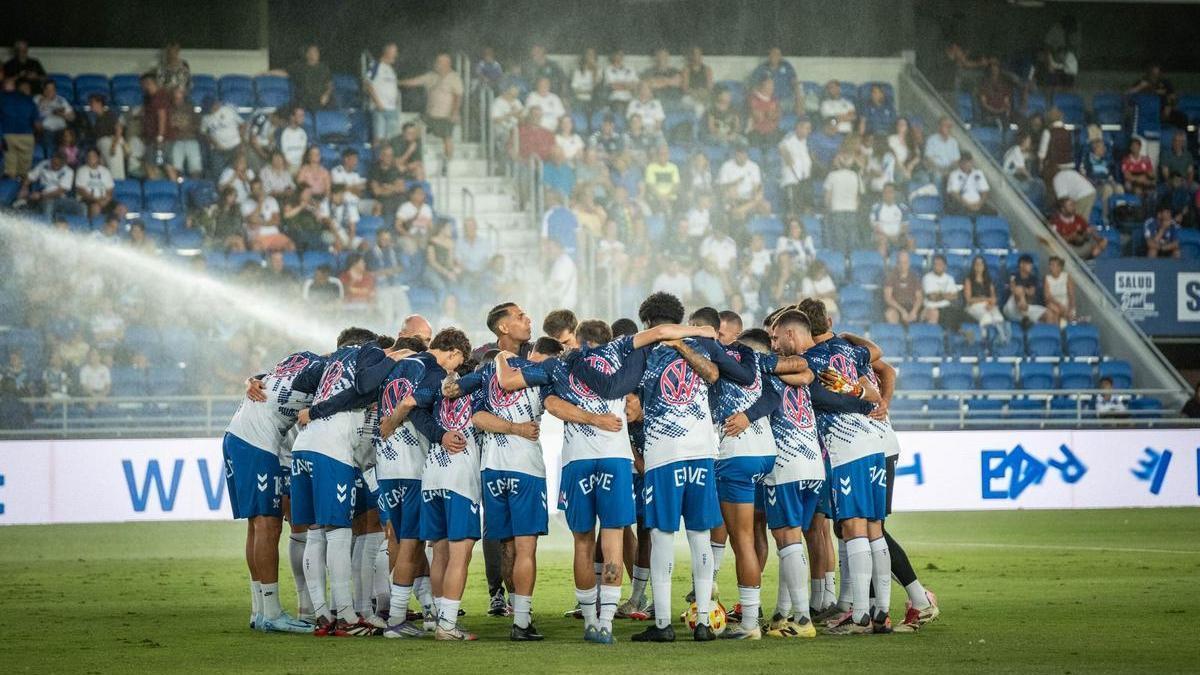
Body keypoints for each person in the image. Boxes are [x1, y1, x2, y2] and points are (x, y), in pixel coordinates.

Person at [566, 292, 753, 642]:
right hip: (701, 452)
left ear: (649, 323)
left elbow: (615, 386)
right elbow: (735, 376)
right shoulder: (703, 344)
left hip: (663, 455)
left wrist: (580, 363)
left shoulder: (645, 350)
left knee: (663, 536)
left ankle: (664, 624)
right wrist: (697, 340)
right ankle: (702, 623)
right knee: (700, 537)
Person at [773, 308, 889, 636]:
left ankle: (861, 616)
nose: (775, 343)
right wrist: (859, 393)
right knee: (874, 527)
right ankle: (881, 611)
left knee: (853, 527)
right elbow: (874, 383)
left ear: (792, 335)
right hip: (873, 441)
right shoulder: (846, 350)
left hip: (846, 447)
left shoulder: (810, 359)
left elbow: (805, 382)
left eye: (777, 337)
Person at [291, 329, 399, 636]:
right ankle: (347, 616)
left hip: (304, 444)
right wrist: (388, 362)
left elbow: (301, 382)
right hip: (332, 450)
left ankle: (322, 614)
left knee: (314, 533)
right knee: (338, 534)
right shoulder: (374, 352)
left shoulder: (333, 359)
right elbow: (366, 383)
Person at [225, 347, 328, 633]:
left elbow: (263, 377)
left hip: (239, 436)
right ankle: (271, 612)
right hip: (257, 444)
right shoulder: (325, 373)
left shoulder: (297, 360)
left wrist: (250, 380)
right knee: (268, 527)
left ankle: (260, 610)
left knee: (257, 526)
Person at [373, 331, 468, 638]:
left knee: (400, 537)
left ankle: (424, 610)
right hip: (412, 463)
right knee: (411, 542)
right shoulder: (435, 371)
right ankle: (397, 620)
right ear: (452, 353)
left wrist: (387, 421)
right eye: (457, 364)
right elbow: (414, 401)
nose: (454, 372)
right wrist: (396, 417)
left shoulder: (401, 363)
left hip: (385, 462)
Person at [824, 153, 864, 252]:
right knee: (852, 241)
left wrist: (828, 210)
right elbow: (858, 197)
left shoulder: (832, 175)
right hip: (852, 211)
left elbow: (827, 197)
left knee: (839, 241)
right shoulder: (855, 176)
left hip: (837, 211)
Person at [1, 76, 40, 178]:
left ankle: (10, 189)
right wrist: (37, 135)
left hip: (8, 136)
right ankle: (22, 189)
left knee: (10, 171)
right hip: (26, 136)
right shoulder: (30, 101)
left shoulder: (3, 97)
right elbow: (37, 124)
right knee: (25, 172)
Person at [963, 255, 1007, 340]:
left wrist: (991, 303)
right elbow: (968, 300)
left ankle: (1000, 339)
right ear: (973, 266)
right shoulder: (968, 280)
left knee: (999, 318)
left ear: (984, 266)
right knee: (987, 317)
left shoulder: (988, 280)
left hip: (988, 305)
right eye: (977, 264)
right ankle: (983, 339)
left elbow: (993, 297)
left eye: (981, 264)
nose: (979, 266)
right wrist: (986, 299)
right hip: (973, 306)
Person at [1004, 254, 1056, 325]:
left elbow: (1031, 293)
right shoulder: (1013, 275)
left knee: (1049, 314)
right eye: (1029, 264)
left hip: (1027, 307)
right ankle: (1023, 309)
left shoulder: (1033, 278)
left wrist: (1023, 290)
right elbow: (1013, 289)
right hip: (1012, 307)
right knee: (1019, 289)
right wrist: (1023, 290)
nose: (1031, 266)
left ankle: (1048, 334)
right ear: (1021, 264)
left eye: (1031, 264)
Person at [200, 96, 245, 178]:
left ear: (215, 104)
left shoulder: (228, 111)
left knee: (236, 172)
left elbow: (242, 125)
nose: (210, 110)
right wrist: (214, 143)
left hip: (235, 147)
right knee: (218, 174)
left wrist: (241, 143)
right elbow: (203, 133)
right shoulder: (205, 117)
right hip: (218, 150)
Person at [365, 43, 401, 142]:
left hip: (392, 108)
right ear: (387, 51)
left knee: (390, 139)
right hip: (379, 108)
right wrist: (377, 103)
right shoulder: (375, 65)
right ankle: (376, 157)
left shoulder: (391, 69)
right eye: (394, 51)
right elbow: (367, 84)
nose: (396, 54)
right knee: (378, 138)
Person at [1080, 138, 1121, 221]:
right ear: (1095, 149)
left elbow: (1110, 176)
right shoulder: (1086, 160)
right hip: (1093, 186)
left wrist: (1114, 184)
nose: (1104, 149)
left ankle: (1119, 216)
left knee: (1120, 188)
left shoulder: (1105, 161)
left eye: (1104, 147)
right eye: (1102, 147)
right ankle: (1105, 216)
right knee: (1107, 189)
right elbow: (1082, 177)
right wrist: (1094, 182)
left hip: (1105, 183)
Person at [779, 117, 813, 214]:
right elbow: (782, 148)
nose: (809, 131)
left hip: (804, 182)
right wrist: (788, 157)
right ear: (799, 127)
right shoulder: (789, 138)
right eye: (807, 128)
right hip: (792, 181)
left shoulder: (805, 142)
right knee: (793, 212)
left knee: (807, 210)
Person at [750, 47, 801, 113]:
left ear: (780, 56)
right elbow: (753, 85)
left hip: (786, 101)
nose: (775, 56)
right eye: (773, 54)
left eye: (778, 54)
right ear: (769, 55)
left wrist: (798, 98)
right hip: (768, 102)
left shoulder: (787, 66)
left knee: (801, 104)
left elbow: (795, 83)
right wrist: (761, 98)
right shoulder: (762, 68)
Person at [870, 183, 912, 258]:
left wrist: (897, 235)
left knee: (911, 240)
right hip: (882, 235)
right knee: (882, 240)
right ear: (883, 194)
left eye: (890, 192)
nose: (888, 195)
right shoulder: (876, 208)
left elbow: (905, 227)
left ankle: (908, 265)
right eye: (886, 192)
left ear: (894, 193)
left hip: (898, 236)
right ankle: (884, 266)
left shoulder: (902, 208)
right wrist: (889, 237)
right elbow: (876, 228)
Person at [884, 250, 923, 326]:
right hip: (897, 307)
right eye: (900, 262)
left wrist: (914, 311)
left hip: (912, 307)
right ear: (897, 263)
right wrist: (902, 311)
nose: (903, 265)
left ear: (909, 263)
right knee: (890, 314)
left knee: (933, 313)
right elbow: (888, 298)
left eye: (905, 262)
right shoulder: (891, 276)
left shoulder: (914, 276)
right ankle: (895, 336)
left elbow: (919, 297)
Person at [921, 254, 961, 326]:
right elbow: (932, 297)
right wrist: (947, 295)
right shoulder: (927, 278)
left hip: (947, 308)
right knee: (936, 313)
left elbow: (955, 296)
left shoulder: (950, 278)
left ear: (945, 266)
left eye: (940, 264)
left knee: (961, 313)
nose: (937, 266)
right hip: (932, 308)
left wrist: (939, 295)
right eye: (935, 264)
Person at [289, 45, 333, 110]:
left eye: (317, 52)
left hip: (322, 99)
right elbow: (284, 72)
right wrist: (269, 73)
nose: (317, 54)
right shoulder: (299, 67)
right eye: (313, 52)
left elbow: (330, 85)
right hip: (305, 99)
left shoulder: (324, 68)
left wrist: (326, 95)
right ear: (307, 54)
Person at [74, 148, 114, 218]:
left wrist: (106, 200)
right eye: (89, 156)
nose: (91, 158)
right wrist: (97, 200)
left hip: (104, 200)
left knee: (121, 208)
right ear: (86, 158)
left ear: (98, 158)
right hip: (87, 200)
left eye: (93, 156)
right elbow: (81, 191)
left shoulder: (105, 171)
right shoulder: (81, 171)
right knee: (96, 207)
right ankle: (94, 228)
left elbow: (110, 190)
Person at [746, 77, 782, 153]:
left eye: (772, 85)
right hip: (757, 132)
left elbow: (778, 115)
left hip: (772, 131)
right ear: (762, 86)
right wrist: (769, 113)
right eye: (769, 85)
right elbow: (759, 117)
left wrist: (769, 114)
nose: (772, 87)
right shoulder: (753, 98)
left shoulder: (774, 99)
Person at [643, 144, 680, 214]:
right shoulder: (650, 167)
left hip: (671, 198)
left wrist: (666, 196)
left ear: (668, 155)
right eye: (661, 154)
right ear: (657, 155)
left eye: (665, 154)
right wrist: (661, 197)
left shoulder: (674, 167)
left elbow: (676, 185)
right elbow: (651, 186)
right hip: (655, 199)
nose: (663, 156)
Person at [975, 62, 1011, 128]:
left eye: (996, 70)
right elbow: (983, 103)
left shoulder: (1004, 84)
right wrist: (994, 111)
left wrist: (1005, 110)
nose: (995, 72)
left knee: (1006, 123)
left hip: (1001, 113)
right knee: (987, 120)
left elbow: (1007, 102)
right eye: (993, 70)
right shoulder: (984, 84)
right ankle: (996, 121)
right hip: (989, 112)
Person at [1043, 255, 1076, 323]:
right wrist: (1059, 305)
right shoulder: (1047, 278)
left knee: (1053, 312)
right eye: (1050, 265)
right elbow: (1048, 296)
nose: (1051, 267)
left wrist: (1070, 308)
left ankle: (1059, 329)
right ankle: (1061, 328)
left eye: (1053, 265)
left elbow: (1071, 295)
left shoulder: (1066, 276)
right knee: (1052, 308)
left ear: (1060, 267)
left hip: (1067, 305)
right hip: (1054, 304)